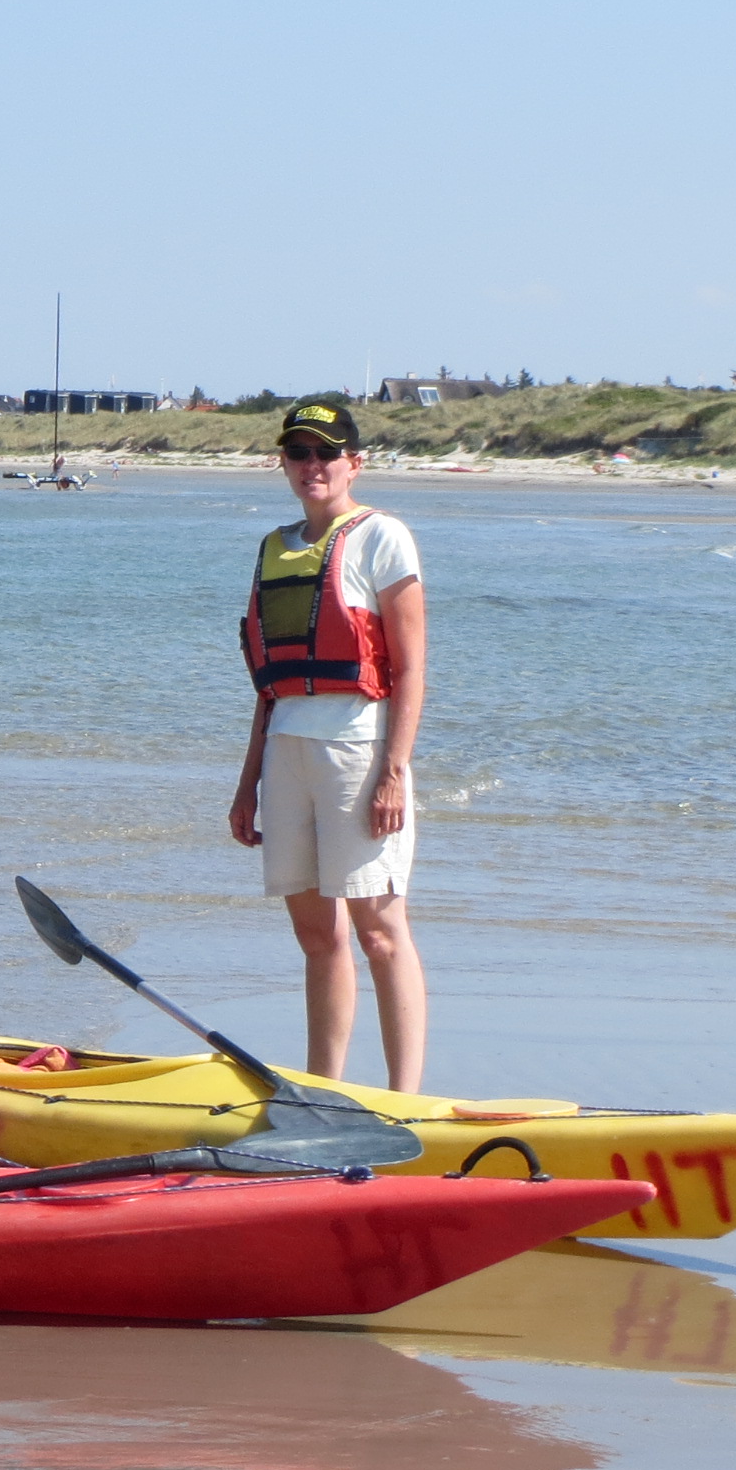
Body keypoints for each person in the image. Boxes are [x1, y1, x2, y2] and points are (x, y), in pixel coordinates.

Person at [226, 398, 427, 1090]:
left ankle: (407, 1099)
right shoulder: (274, 548)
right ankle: (326, 1091)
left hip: (359, 753)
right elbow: (269, 682)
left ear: (353, 463)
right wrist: (247, 781)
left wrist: (394, 771)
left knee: (379, 930)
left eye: (326, 454)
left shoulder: (383, 537)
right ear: (282, 463)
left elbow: (410, 666)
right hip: (288, 753)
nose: (313, 466)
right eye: (299, 454)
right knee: (317, 936)